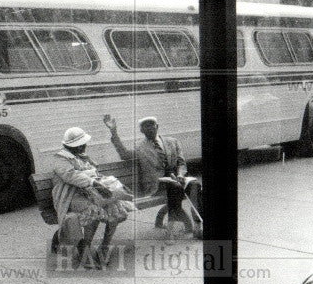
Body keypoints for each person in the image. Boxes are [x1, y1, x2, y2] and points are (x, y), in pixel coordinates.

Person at [104, 114, 203, 238]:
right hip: (156, 185)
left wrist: (180, 174)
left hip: (177, 179)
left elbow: (181, 162)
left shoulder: (172, 142)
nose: (150, 128)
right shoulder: (140, 147)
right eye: (146, 126)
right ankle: (172, 230)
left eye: (152, 125)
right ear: (142, 131)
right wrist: (113, 132)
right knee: (175, 187)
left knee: (195, 185)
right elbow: (124, 154)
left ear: (157, 127)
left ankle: (199, 225)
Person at [51, 126, 126, 268]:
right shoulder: (60, 159)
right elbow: (72, 176)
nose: (84, 146)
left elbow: (94, 173)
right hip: (69, 197)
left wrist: (107, 183)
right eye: (81, 144)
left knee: (115, 206)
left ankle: (104, 247)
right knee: (95, 210)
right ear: (71, 146)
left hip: (88, 194)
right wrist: (95, 182)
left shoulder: (81, 157)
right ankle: (85, 249)